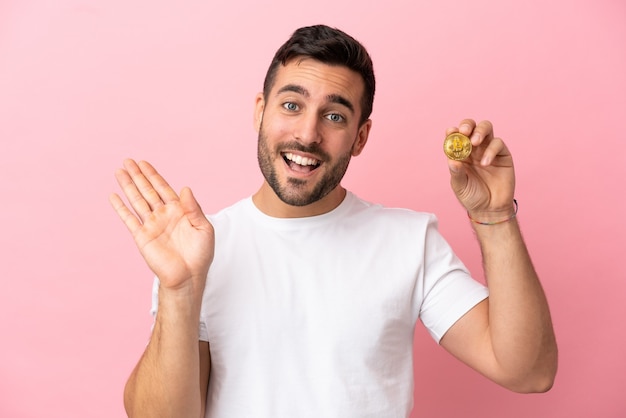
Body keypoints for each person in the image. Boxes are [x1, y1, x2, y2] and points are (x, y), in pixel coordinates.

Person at [110, 24, 557, 418]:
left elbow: (528, 371)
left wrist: (494, 216)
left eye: (335, 115)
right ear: (259, 112)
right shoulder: (198, 248)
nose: (307, 133)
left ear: (360, 137)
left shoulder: (408, 240)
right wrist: (179, 291)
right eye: (291, 106)